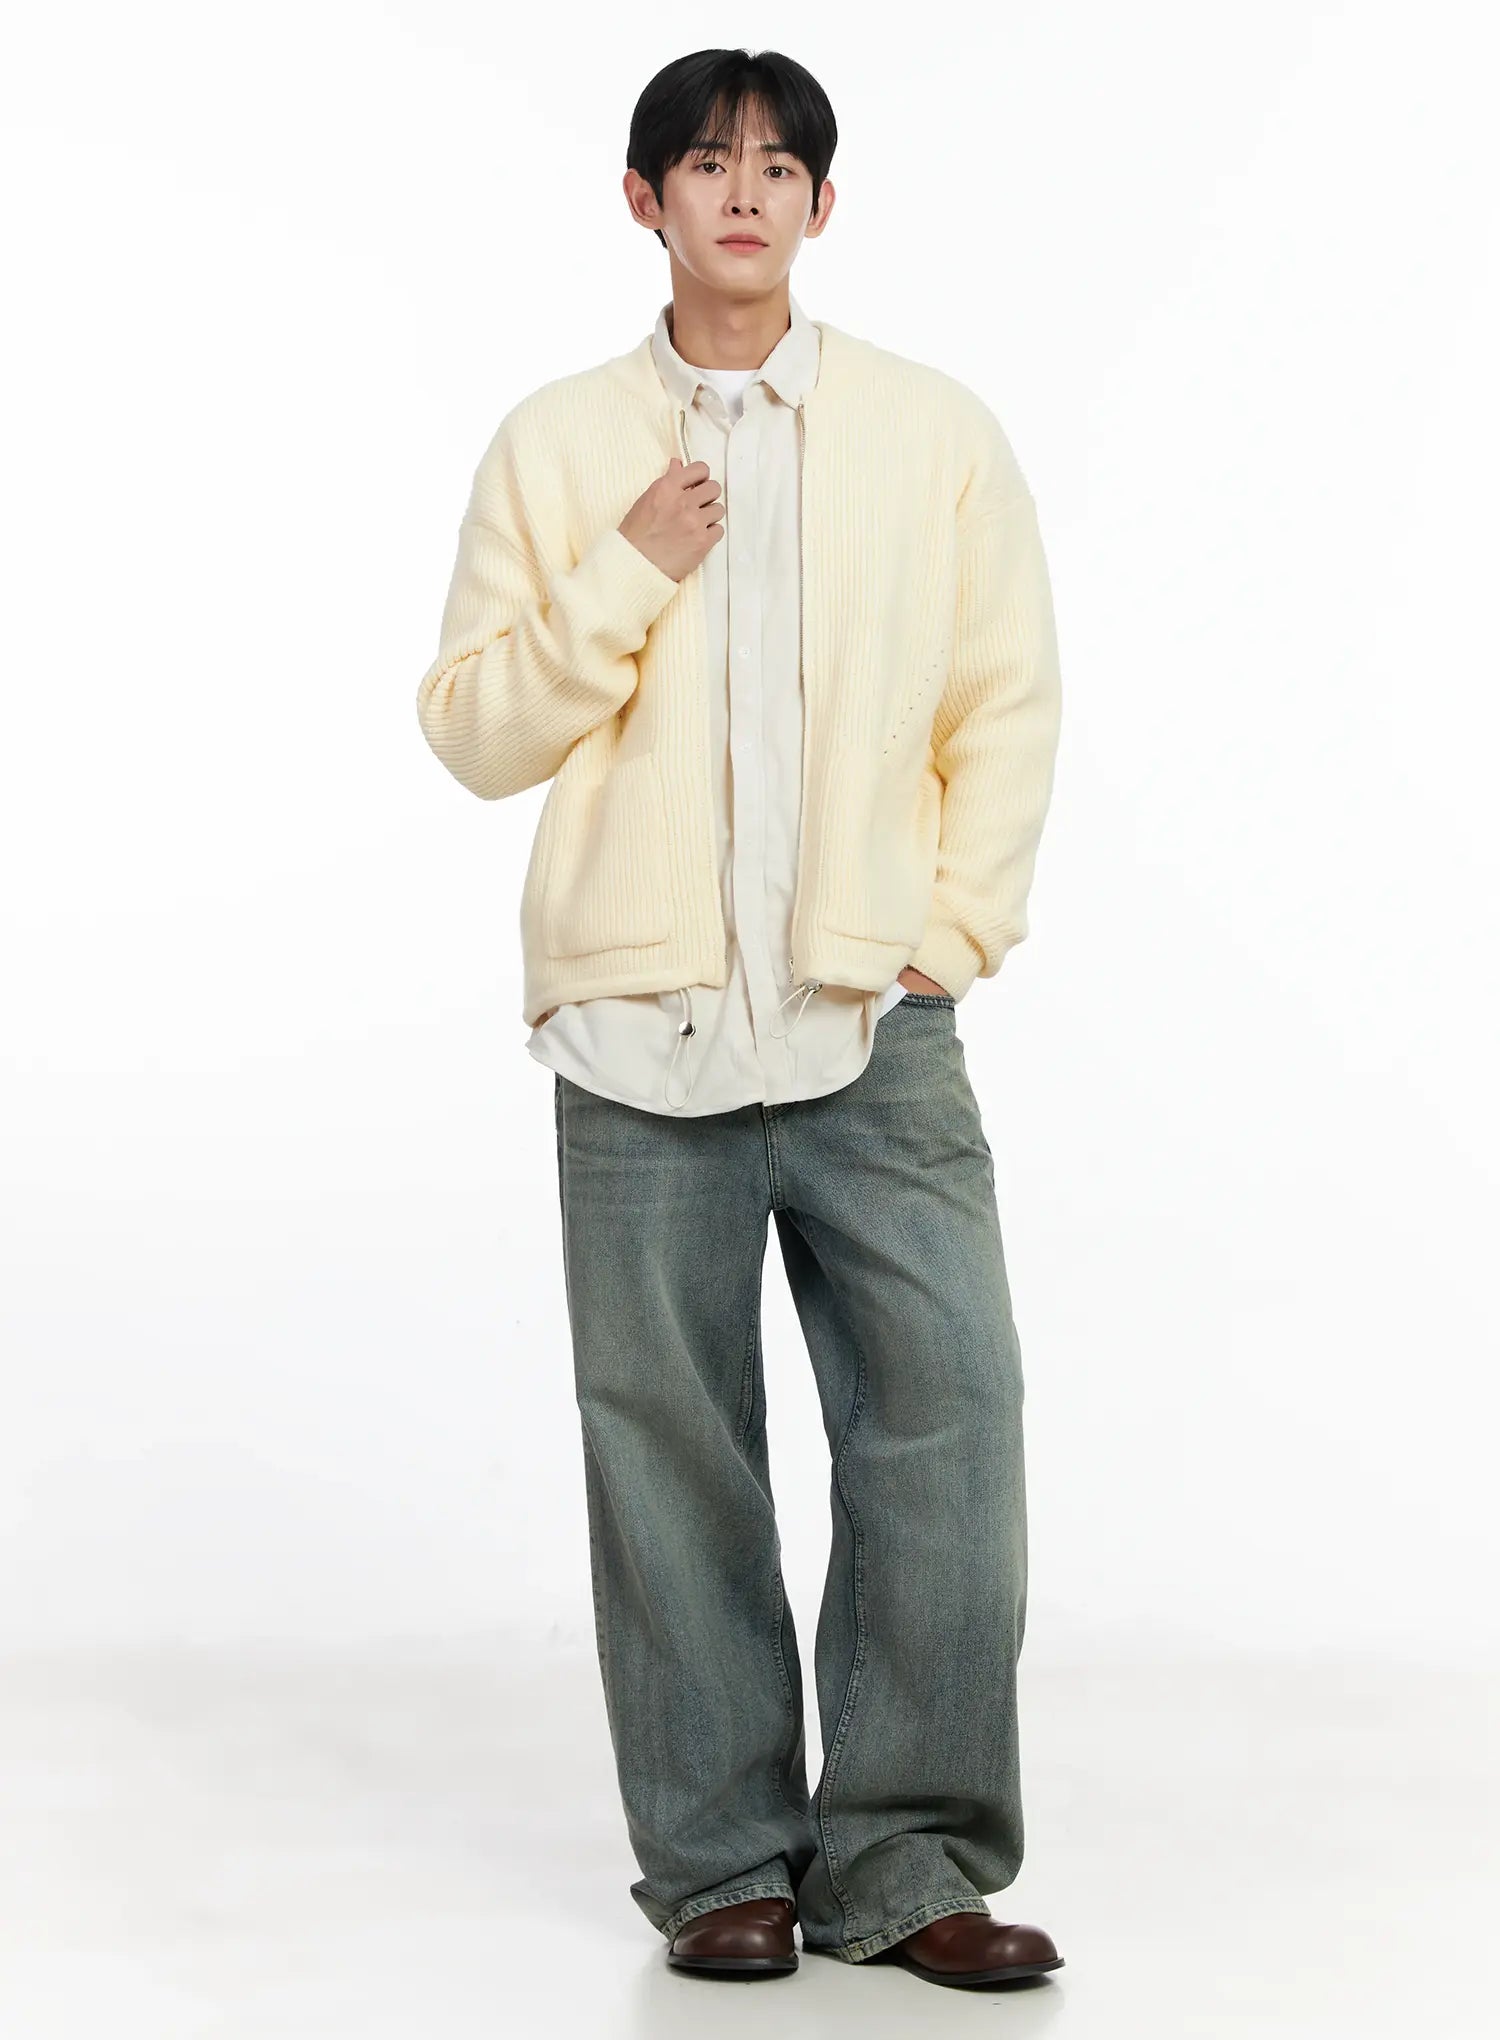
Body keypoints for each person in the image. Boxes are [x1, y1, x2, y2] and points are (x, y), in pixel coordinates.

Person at [414, 45, 1065, 1991]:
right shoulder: (557, 444)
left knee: (950, 1428)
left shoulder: (931, 433)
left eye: (782, 168)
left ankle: (909, 1865)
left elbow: (1005, 697)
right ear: (647, 200)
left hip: (876, 1023)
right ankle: (721, 1870)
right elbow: (475, 729)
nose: (747, 196)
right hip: (638, 1033)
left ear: (824, 206)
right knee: (669, 1455)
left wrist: (949, 927)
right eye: (709, 164)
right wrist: (634, 564)